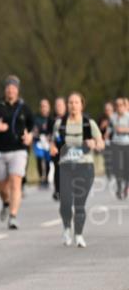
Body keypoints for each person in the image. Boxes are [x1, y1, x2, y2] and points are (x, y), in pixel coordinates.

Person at [51, 92, 103, 248]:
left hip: (85, 167)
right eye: (70, 102)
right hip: (66, 167)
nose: (73, 105)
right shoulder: (60, 123)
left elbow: (101, 143)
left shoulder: (89, 123)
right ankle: (67, 229)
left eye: (76, 102)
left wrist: (95, 143)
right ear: (67, 105)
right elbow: (54, 143)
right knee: (65, 203)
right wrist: (53, 148)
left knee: (79, 204)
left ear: (82, 105)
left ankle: (79, 234)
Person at [0, 75, 34, 229]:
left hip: (18, 150)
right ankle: (6, 202)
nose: (11, 90)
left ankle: (13, 216)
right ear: (5, 90)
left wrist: (30, 136)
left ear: (17, 90)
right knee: (2, 186)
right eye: (8, 87)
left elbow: (32, 127)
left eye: (13, 88)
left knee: (15, 182)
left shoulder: (24, 108)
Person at [108, 97, 129, 200]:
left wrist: (124, 129)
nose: (119, 107)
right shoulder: (113, 117)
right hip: (116, 144)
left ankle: (126, 187)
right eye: (117, 105)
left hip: (127, 144)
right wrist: (106, 135)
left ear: (125, 106)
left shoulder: (128, 116)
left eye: (121, 105)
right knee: (117, 167)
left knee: (126, 167)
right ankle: (119, 188)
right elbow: (109, 129)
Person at [33, 98, 53, 189]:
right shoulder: (36, 118)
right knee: (39, 158)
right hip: (38, 141)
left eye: (45, 106)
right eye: (42, 106)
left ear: (49, 107)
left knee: (48, 160)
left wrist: (50, 136)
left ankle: (47, 179)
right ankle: (41, 178)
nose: (44, 108)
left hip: (48, 142)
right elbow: (33, 129)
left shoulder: (51, 118)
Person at [50, 96, 67, 201]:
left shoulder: (70, 118)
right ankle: (58, 191)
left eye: (60, 105)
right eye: (57, 105)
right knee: (57, 168)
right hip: (56, 147)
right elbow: (48, 133)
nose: (58, 107)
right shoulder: (51, 119)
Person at [99, 101, 115, 190]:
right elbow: (97, 131)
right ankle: (109, 176)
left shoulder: (116, 117)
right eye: (106, 109)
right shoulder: (102, 118)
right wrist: (102, 127)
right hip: (105, 143)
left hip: (115, 142)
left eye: (109, 109)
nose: (108, 111)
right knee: (107, 160)